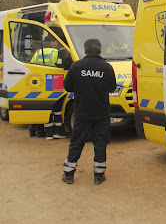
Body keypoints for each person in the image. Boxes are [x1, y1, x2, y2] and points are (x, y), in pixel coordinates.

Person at [61, 38, 117, 185]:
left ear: (85, 51)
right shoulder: (107, 67)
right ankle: (98, 175)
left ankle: (68, 174)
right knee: (100, 142)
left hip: (82, 112)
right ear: (100, 50)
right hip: (101, 112)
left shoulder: (76, 66)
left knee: (76, 142)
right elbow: (112, 88)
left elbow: (67, 86)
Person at [29, 36, 67, 140]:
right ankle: (58, 132)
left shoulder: (37, 53)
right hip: (54, 81)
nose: (55, 44)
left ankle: (48, 133)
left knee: (47, 110)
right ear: (51, 42)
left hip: (40, 83)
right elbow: (60, 66)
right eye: (55, 42)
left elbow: (31, 65)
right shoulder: (55, 52)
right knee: (57, 109)